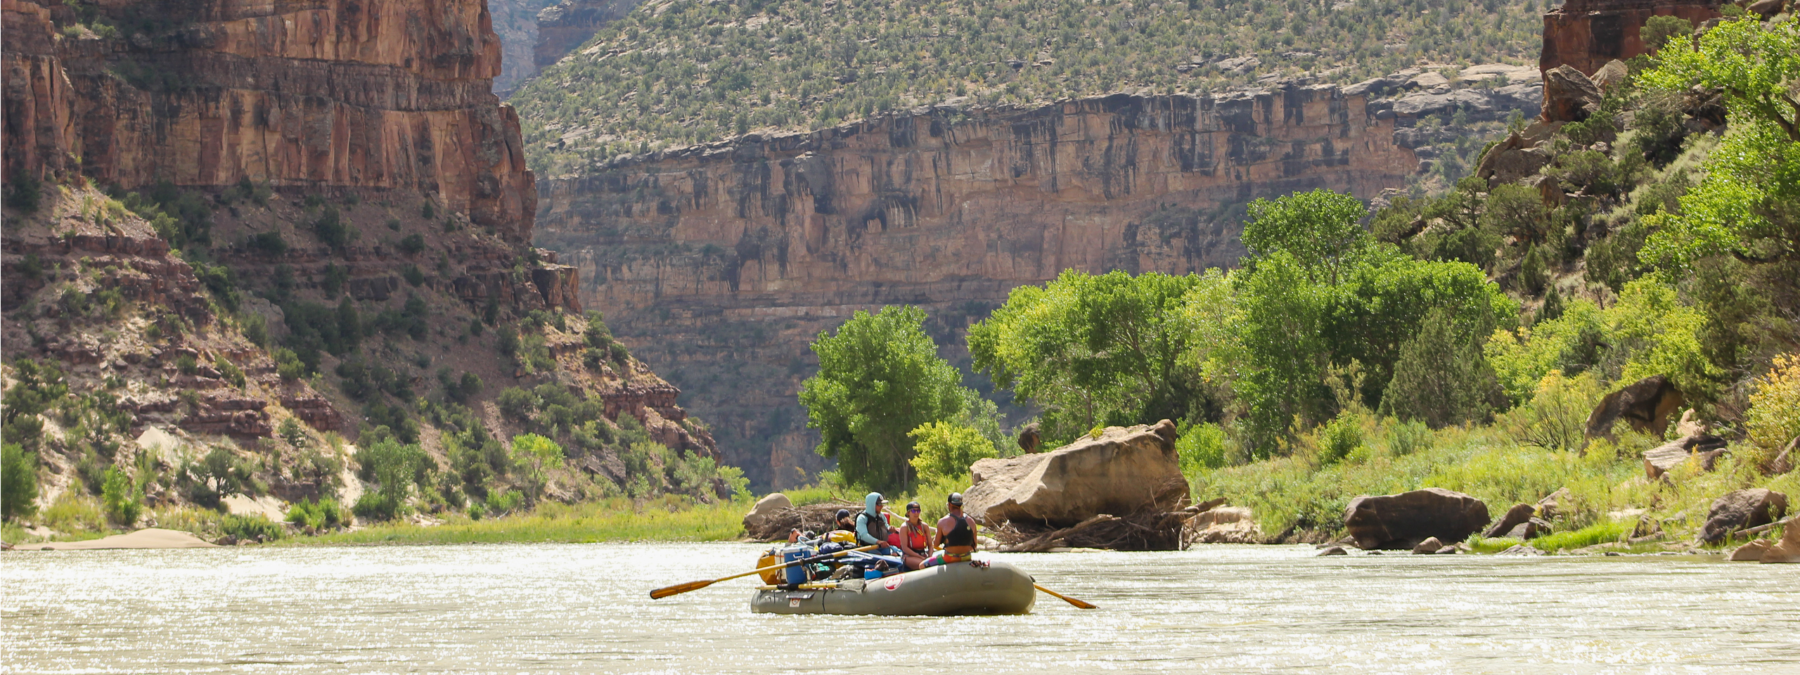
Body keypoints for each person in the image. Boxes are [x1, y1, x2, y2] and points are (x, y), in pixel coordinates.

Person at [923, 492, 977, 567]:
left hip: (949, 558)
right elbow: (974, 545)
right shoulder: (971, 521)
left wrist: (938, 534)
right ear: (961, 505)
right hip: (966, 557)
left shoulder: (942, 522)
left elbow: (936, 544)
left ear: (949, 504)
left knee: (921, 565)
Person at [897, 500, 936, 570]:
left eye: (918, 511)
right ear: (908, 513)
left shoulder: (924, 526)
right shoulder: (904, 527)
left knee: (931, 562)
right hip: (909, 556)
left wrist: (930, 556)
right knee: (925, 564)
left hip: (923, 554)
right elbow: (905, 548)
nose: (916, 513)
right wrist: (919, 556)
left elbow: (930, 545)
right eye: (913, 511)